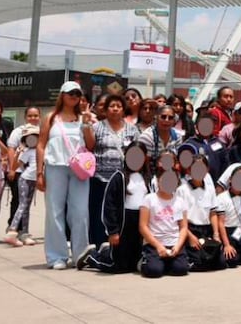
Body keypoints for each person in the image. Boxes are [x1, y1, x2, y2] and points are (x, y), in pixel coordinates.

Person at [37, 81, 96, 270]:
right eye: (70, 92)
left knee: (80, 212)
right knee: (55, 211)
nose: (74, 96)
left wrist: (87, 124)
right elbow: (40, 145)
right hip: (55, 166)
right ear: (62, 95)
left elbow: (91, 144)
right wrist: (40, 172)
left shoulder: (83, 118)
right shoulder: (51, 118)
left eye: (77, 93)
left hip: (79, 169)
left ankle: (79, 254)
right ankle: (57, 256)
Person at [78, 144, 152, 272]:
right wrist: (113, 231)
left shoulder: (149, 178)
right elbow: (109, 205)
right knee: (117, 266)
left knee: (133, 263)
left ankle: (106, 251)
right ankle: (92, 256)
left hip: (140, 222)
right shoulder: (119, 177)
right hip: (124, 224)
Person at [89, 93, 140, 246]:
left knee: (118, 214)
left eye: (119, 106)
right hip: (99, 178)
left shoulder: (132, 130)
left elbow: (136, 153)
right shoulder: (97, 127)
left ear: (124, 109)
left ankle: (117, 246)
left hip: (121, 180)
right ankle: (98, 246)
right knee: (98, 213)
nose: (115, 109)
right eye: (112, 106)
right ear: (105, 109)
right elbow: (89, 147)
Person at [138, 154, 190, 278]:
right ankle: (145, 262)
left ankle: (165, 263)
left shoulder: (179, 201)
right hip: (154, 244)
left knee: (181, 270)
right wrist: (158, 246)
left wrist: (177, 246)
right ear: (158, 180)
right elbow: (143, 226)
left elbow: (183, 227)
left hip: (174, 243)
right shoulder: (149, 199)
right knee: (154, 271)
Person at [176, 153, 226, 272]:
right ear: (189, 170)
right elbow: (178, 219)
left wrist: (216, 234)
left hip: (206, 229)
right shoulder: (181, 190)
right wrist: (190, 236)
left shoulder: (210, 189)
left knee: (221, 263)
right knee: (197, 264)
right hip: (189, 230)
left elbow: (213, 213)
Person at [5, 106, 41, 228]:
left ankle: (23, 230)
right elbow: (11, 149)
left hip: (34, 173)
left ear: (39, 117)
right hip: (19, 171)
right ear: (25, 117)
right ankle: (13, 227)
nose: (33, 118)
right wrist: (12, 169)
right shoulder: (18, 131)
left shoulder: (42, 131)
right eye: (30, 116)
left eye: (35, 115)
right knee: (17, 201)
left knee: (26, 203)